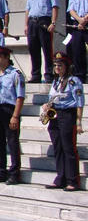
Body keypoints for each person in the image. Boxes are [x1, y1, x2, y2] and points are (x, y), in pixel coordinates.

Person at [42, 52, 84, 191]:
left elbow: (79, 102)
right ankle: (61, 177)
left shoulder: (73, 81)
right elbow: (52, 97)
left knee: (68, 148)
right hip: (55, 114)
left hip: (67, 115)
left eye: (60, 65)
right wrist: (46, 106)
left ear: (66, 66)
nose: (57, 68)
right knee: (58, 147)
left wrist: (78, 122)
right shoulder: (55, 81)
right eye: (55, 65)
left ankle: (73, 180)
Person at [0, 46, 25, 185]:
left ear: (6, 58)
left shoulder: (15, 74)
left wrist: (15, 116)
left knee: (12, 142)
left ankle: (15, 173)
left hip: (9, 110)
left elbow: (20, 97)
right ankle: (0, 171)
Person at [25, 0, 58, 84]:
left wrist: (53, 22)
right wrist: (26, 25)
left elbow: (55, 7)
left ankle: (49, 74)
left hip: (44, 21)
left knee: (47, 49)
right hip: (32, 22)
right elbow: (28, 9)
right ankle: (35, 75)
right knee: (33, 49)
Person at [66, 0, 88, 83]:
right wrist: (80, 20)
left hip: (87, 23)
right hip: (77, 25)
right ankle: (80, 76)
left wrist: (85, 20)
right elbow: (71, 10)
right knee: (77, 51)